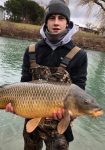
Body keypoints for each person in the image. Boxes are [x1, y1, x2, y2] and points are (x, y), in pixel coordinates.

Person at [6, 0, 88, 149]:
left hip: (59, 128)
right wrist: (15, 106)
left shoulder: (80, 55)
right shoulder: (31, 50)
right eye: (52, 18)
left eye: (61, 18)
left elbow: (80, 92)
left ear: (68, 23)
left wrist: (67, 114)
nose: (56, 22)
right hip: (31, 120)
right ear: (45, 22)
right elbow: (23, 84)